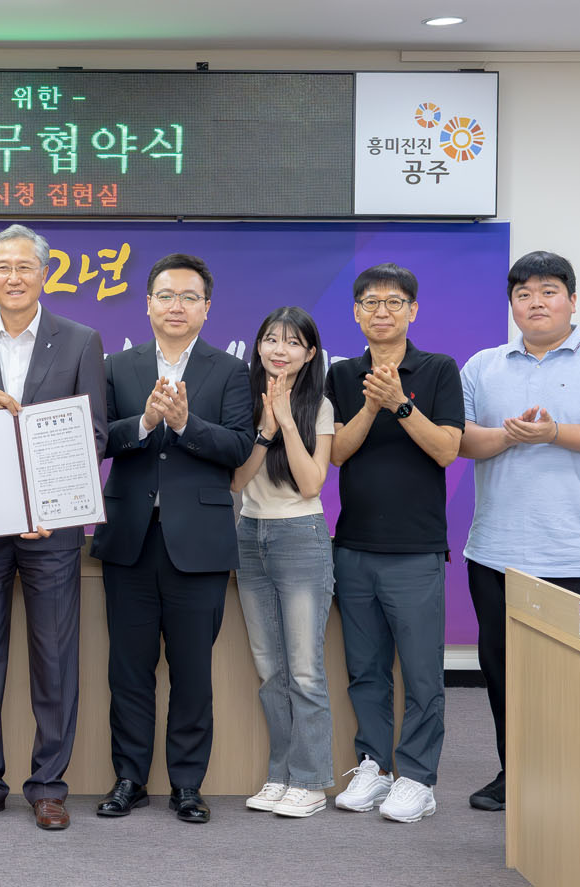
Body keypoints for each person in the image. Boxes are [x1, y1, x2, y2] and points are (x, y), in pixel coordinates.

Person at [458, 251, 580, 812]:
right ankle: (514, 774)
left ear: (572, 300)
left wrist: (555, 432)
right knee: (504, 674)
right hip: (496, 552)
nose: (535, 303)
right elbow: (458, 440)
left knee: (579, 680)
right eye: (523, 294)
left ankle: (579, 783)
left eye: (548, 292)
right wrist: (510, 436)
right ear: (511, 305)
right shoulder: (483, 365)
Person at [0, 224, 106, 831]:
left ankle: (49, 786)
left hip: (51, 532)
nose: (14, 277)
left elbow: (94, 433)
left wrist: (48, 506)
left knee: (54, 660)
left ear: (44, 274)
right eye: (2, 267)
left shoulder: (81, 341)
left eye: (25, 267)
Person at [91, 253, 253, 825]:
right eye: (165, 295)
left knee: (192, 672)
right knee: (128, 670)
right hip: (130, 540)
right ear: (148, 305)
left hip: (199, 543)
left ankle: (187, 784)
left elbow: (239, 447)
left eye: (188, 297)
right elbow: (98, 439)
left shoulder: (230, 371)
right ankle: (129, 779)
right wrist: (144, 423)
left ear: (206, 308)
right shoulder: (118, 366)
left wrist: (184, 424)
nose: (176, 306)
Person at [326, 263, 463, 825]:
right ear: (356, 313)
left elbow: (447, 449)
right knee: (366, 670)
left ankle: (418, 778)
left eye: (393, 302)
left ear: (413, 311)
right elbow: (337, 453)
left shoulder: (438, 369)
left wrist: (401, 404)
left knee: (423, 673)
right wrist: (371, 404)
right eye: (371, 302)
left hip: (415, 549)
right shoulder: (342, 375)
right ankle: (374, 765)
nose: (381, 311)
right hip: (354, 545)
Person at [231, 306, 337, 820]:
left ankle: (310, 780)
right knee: (270, 669)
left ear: (310, 354)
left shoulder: (320, 405)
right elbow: (236, 481)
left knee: (305, 669)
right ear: (258, 346)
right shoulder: (243, 399)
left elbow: (312, 483)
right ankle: (281, 775)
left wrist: (288, 423)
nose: (280, 349)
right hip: (249, 535)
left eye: (293, 342)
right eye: (271, 339)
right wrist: (264, 429)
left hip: (300, 535)